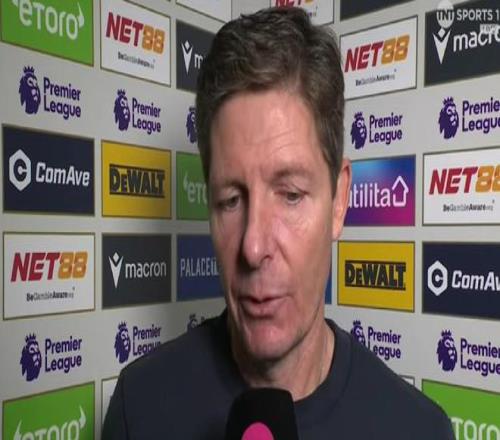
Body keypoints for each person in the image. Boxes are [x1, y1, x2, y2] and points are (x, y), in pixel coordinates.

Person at [103, 7, 454, 439]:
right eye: (230, 200)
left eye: (290, 195)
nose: (253, 247)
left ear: (339, 201)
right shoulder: (138, 408)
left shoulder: (419, 430)